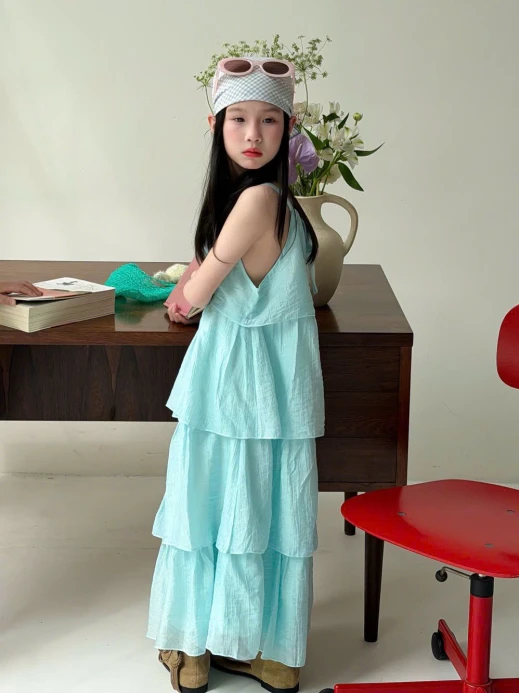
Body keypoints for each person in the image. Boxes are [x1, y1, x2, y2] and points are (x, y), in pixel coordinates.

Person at [147, 57, 325, 693]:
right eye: (240, 119)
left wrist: (187, 292)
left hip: (232, 384)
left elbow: (191, 299)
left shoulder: (255, 200)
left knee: (206, 506)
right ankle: (269, 652)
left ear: (288, 128)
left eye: (269, 121)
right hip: (276, 387)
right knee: (263, 513)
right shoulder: (281, 205)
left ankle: (193, 648)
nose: (253, 134)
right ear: (217, 125)